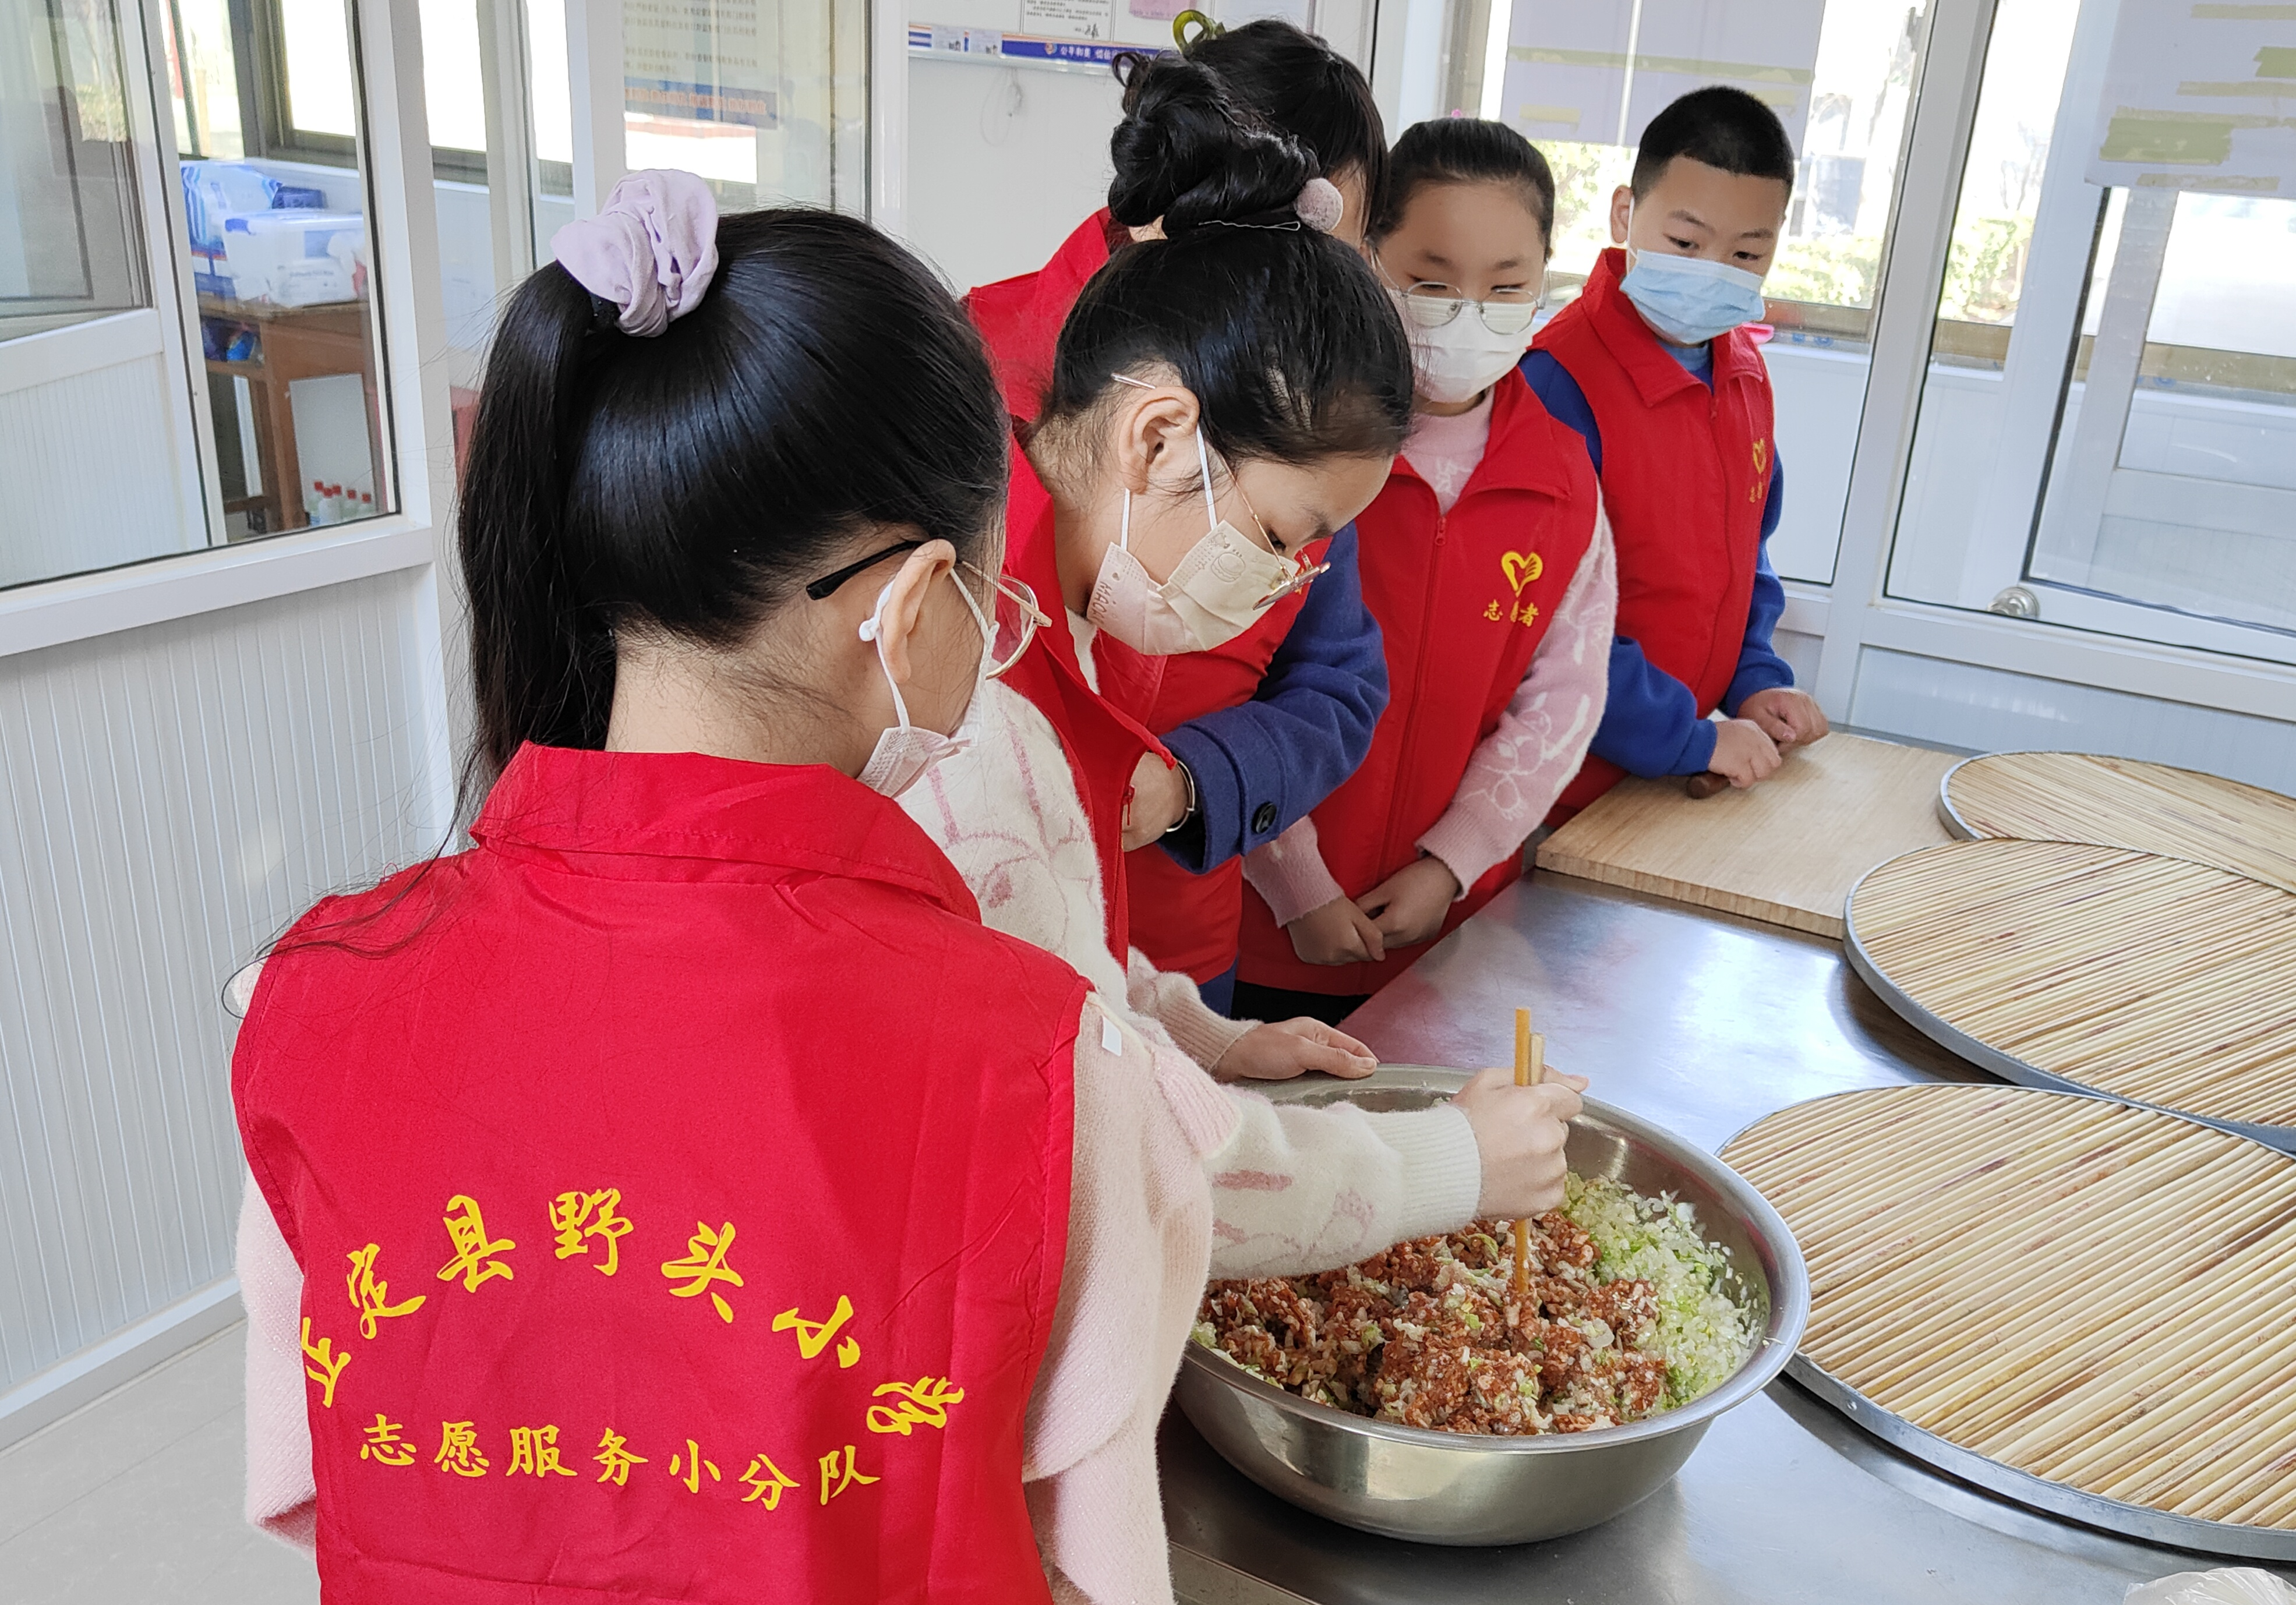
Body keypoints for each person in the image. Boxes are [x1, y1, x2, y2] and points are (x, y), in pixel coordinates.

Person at [229, 176, 1580, 1605]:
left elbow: (312, 1471)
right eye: (992, 608)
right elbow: (1098, 1538)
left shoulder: (299, 995)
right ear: (917, 604)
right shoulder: (1037, 1065)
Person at [905, 63, 1583, 1277]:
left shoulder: (1048, 601)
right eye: (1278, 539)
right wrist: (1457, 1165)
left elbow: (1045, 956)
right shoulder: (980, 697)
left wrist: (1189, 1037)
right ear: (1159, 434)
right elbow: (1136, 1173)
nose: (1284, 585)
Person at [967, 20, 1394, 1014]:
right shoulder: (958, 383)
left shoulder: (1304, 435)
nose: (1307, 298)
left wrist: (1191, 783)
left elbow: (1335, 684)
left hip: (1158, 948)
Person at [1232, 119, 1616, 1024]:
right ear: (1369, 260)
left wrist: (1454, 861)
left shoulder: (1562, 478)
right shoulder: (1297, 447)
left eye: (1505, 287)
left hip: (1446, 935)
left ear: (1543, 281)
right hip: (1253, 925)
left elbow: (1565, 696)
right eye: (1432, 283)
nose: (1468, 312)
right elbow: (1227, 678)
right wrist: (1294, 879)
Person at [1525, 85, 1829, 814]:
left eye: (1747, 252)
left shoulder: (1744, 371)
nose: (1714, 270)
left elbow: (1744, 554)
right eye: (1686, 244)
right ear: (1627, 213)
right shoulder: (1557, 381)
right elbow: (1544, 619)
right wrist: (1685, 737)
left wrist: (1755, 678)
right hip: (1563, 782)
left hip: (1684, 766)